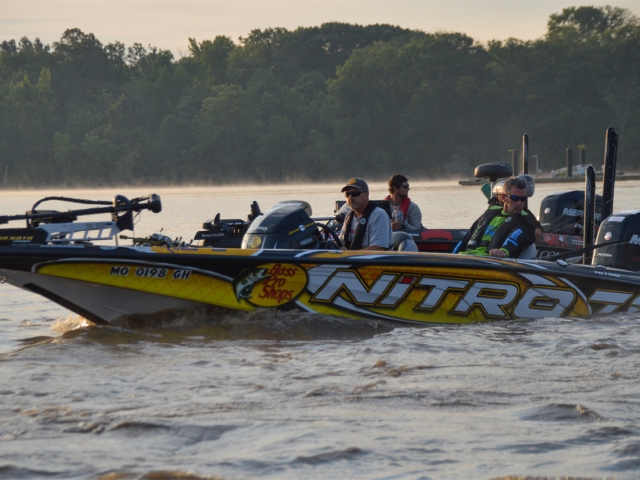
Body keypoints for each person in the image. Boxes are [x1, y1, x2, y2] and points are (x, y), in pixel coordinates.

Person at [456, 176, 536, 258]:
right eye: (515, 198)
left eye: (523, 199)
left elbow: (518, 236)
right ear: (504, 197)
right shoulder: (490, 212)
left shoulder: (525, 221)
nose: (519, 203)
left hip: (490, 260)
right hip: (467, 257)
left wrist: (504, 251)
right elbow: (466, 238)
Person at [339, 177, 393, 251]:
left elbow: (378, 249)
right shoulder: (349, 216)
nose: (350, 198)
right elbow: (340, 243)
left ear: (366, 195)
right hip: (352, 257)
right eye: (347, 194)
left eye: (355, 193)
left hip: (375, 258)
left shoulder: (379, 215)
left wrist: (349, 254)